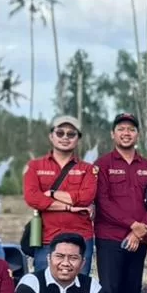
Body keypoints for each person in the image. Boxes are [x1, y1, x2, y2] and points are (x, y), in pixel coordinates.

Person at [95, 112, 147, 293]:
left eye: (131, 129)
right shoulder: (103, 164)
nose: (126, 133)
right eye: (121, 129)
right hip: (110, 239)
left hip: (139, 240)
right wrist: (131, 225)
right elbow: (102, 201)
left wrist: (140, 230)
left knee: (132, 290)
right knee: (110, 291)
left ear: (138, 134)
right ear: (113, 134)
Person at [22, 115, 98, 276]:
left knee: (79, 291)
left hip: (81, 239)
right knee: (44, 289)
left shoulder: (88, 169)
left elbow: (86, 198)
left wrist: (52, 193)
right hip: (46, 239)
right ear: (51, 136)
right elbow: (32, 198)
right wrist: (71, 207)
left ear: (78, 139)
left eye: (71, 134)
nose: (65, 137)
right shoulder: (35, 166)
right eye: (60, 133)